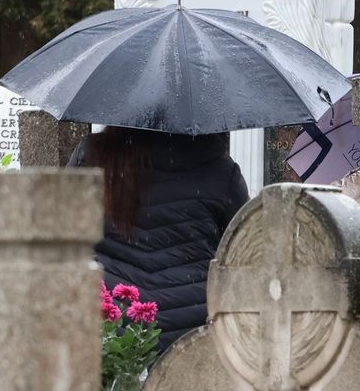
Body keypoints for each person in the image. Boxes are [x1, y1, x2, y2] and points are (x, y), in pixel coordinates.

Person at [74, 127, 248, 357]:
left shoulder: (94, 155)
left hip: (113, 325)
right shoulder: (220, 171)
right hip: (191, 331)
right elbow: (241, 252)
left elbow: (68, 236)